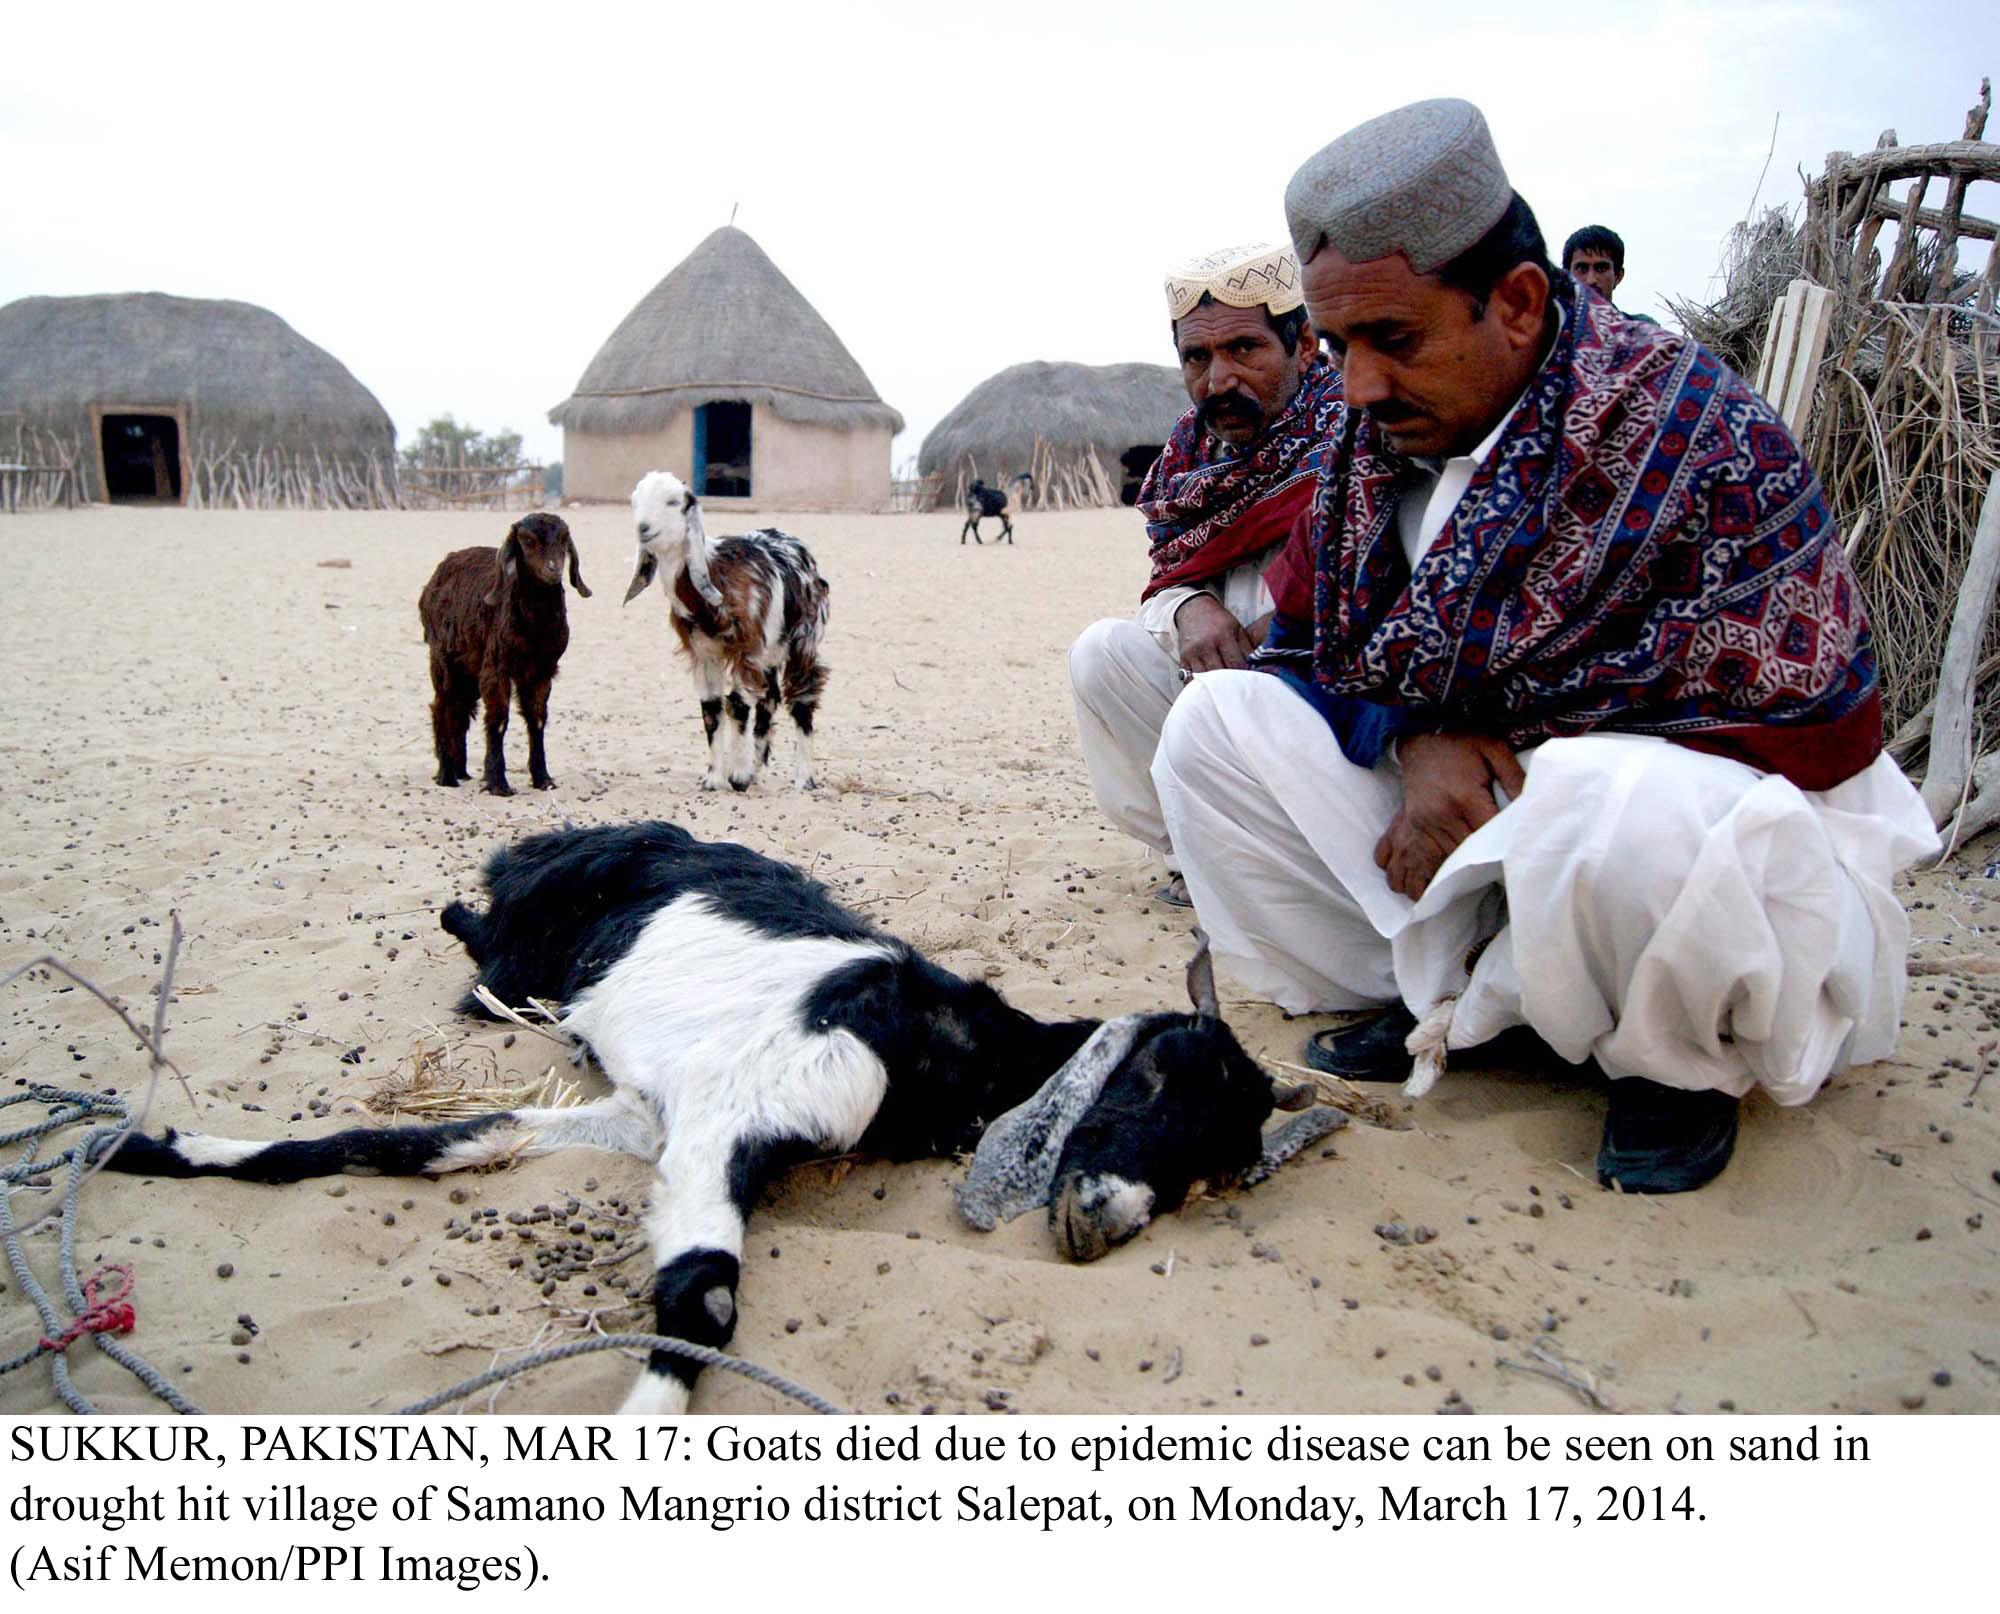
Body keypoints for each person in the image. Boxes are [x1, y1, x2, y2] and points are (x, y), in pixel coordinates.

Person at [1150, 100, 1935, 1193]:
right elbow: (1310, 653)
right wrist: (1419, 730)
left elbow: (1794, 715)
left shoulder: (1683, 422)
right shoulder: (1369, 452)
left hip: (1720, 861)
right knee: (1213, 728)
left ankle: (1675, 1062)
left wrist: (1493, 730)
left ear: (1517, 305)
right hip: (1490, 823)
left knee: (1601, 798)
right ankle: (1459, 1001)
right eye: (1336, 347)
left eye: (1393, 340)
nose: (1359, 384)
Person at [1068, 241, 1343, 906]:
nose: (1218, 380)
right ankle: (1201, 855)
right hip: (1229, 699)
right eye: (1198, 357)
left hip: (1332, 706)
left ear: (1303, 344)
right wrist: (1192, 605)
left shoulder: (1356, 431)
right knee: (1101, 652)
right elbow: (1166, 580)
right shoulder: (1190, 460)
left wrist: (1292, 622)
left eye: (1244, 349)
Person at [1563, 224, 1655, 322]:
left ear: (1618, 277)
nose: (1591, 280)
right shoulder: (1551, 333)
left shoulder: (1640, 331)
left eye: (1601, 269)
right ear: (1566, 275)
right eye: (1582, 269)